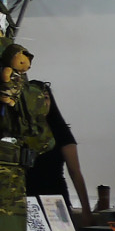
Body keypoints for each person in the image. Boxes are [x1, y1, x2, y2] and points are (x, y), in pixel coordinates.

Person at [25, 81, 91, 219]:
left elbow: (75, 172)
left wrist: (86, 210)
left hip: (54, 199)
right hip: (24, 198)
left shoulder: (60, 130)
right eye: (37, 98)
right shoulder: (18, 130)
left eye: (46, 98)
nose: (43, 103)